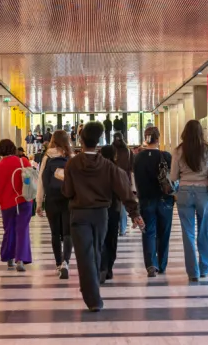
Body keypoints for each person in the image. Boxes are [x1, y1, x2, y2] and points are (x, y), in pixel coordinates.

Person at [62, 121, 143, 312]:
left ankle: (92, 296)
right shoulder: (108, 166)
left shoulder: (72, 164)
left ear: (81, 140)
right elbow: (124, 189)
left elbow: (67, 191)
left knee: (84, 255)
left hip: (79, 214)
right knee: (96, 252)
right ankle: (92, 290)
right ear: (99, 140)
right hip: (101, 215)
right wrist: (134, 213)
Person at [171, 120, 208, 282]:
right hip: (204, 194)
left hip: (184, 192)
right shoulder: (207, 149)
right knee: (204, 231)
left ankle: (193, 273)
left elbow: (172, 177)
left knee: (188, 233)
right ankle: (205, 268)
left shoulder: (178, 150)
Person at [133, 127, 174, 277]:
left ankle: (151, 264)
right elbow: (173, 178)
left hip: (146, 200)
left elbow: (135, 180)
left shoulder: (138, 158)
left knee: (148, 232)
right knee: (164, 232)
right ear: (158, 138)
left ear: (145, 138)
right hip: (165, 200)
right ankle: (162, 264)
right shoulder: (166, 156)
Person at [35, 130, 74, 279]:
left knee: (55, 233)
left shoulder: (47, 157)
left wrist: (39, 203)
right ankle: (66, 262)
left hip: (51, 199)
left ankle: (58, 263)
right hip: (68, 199)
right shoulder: (70, 157)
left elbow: (40, 180)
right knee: (68, 232)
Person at [0, 139, 34, 272]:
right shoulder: (23, 162)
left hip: (7, 204)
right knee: (22, 230)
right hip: (24, 201)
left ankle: (9, 258)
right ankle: (20, 259)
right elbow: (32, 181)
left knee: (9, 229)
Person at [98, 145, 123, 283]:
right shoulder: (117, 171)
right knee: (112, 239)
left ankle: (102, 265)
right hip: (114, 208)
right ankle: (109, 268)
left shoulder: (97, 170)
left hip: (99, 208)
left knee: (100, 238)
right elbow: (123, 191)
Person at [110, 132, 133, 237]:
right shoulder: (128, 151)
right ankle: (122, 229)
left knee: (112, 205)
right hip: (125, 180)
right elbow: (132, 167)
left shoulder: (111, 150)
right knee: (123, 206)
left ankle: (114, 227)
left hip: (111, 180)